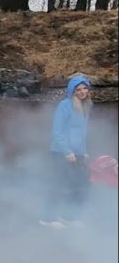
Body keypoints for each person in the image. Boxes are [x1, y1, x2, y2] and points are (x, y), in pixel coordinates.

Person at [40, 75, 92, 229]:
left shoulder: (85, 106)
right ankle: (47, 219)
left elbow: (82, 132)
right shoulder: (65, 105)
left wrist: (84, 151)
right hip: (61, 152)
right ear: (72, 91)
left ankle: (69, 217)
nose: (82, 92)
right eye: (78, 89)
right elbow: (58, 131)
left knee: (80, 185)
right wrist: (67, 151)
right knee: (58, 184)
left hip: (78, 153)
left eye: (84, 88)